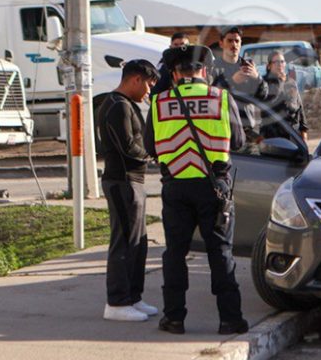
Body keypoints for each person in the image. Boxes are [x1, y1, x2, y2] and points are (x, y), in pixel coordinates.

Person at [145, 45, 248, 336]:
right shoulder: (221, 98)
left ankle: (174, 319)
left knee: (175, 253)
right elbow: (238, 142)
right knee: (220, 252)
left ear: (175, 74)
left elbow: (149, 147)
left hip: (175, 186)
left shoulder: (159, 102)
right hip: (214, 187)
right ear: (204, 71)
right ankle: (230, 319)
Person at [97, 59, 160, 323]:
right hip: (122, 182)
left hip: (134, 182)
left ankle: (133, 296)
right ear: (134, 79)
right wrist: (154, 155)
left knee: (139, 242)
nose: (148, 91)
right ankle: (117, 301)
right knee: (124, 242)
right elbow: (129, 147)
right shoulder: (116, 105)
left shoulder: (128, 105)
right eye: (147, 84)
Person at [209, 27, 269, 142]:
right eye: (230, 41)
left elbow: (263, 96)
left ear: (241, 43)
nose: (234, 45)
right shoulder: (214, 68)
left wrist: (258, 79)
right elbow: (211, 97)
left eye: (237, 41)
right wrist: (232, 82)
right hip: (222, 132)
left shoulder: (248, 66)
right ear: (221, 44)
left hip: (247, 131)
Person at [260, 51, 308, 142]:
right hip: (273, 134)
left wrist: (304, 130)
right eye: (276, 62)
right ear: (269, 66)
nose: (280, 64)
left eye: (282, 62)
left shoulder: (291, 82)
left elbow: (299, 107)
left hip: (293, 132)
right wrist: (281, 83)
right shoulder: (264, 83)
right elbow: (273, 103)